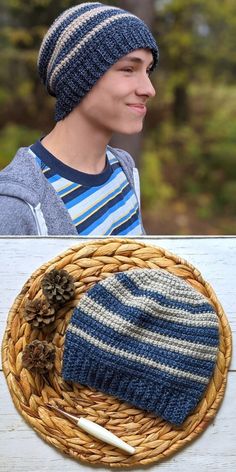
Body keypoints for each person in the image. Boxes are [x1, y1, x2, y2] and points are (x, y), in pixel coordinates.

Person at [0, 2, 159, 235]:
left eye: (148, 70)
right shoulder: (16, 204)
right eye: (128, 69)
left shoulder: (122, 169)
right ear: (78, 78)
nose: (149, 89)